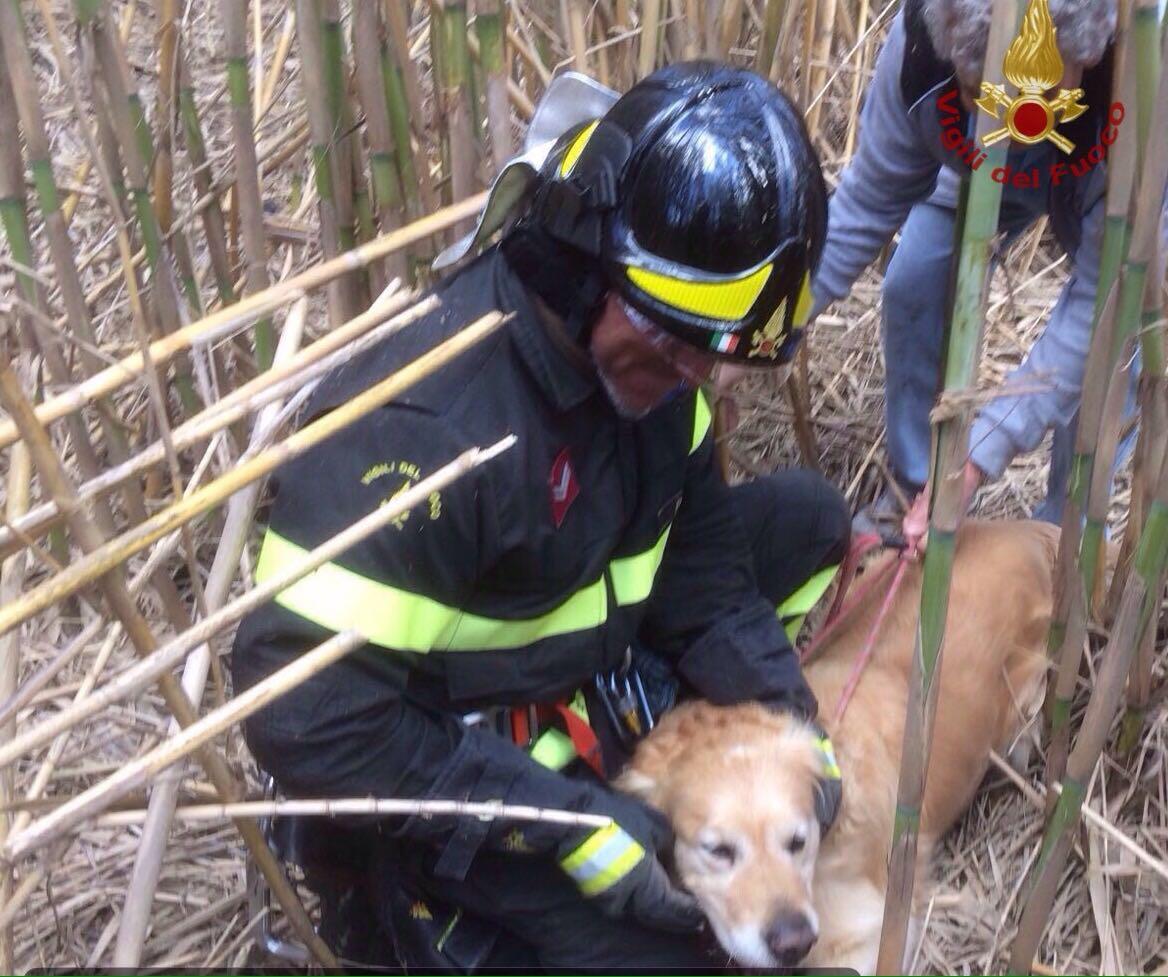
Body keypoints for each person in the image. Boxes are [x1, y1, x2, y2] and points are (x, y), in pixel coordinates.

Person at [231, 62, 850, 972]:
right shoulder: (431, 435)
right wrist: (565, 824)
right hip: (434, 759)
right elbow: (304, 713)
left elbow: (712, 592)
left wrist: (801, 744)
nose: (694, 376)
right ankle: (390, 906)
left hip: (570, 658)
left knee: (807, 519)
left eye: (717, 354)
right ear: (585, 270)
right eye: (674, 340)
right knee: (684, 954)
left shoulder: (658, 379)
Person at [807, 0, 1167, 544]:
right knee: (914, 279)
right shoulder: (922, 53)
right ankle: (915, 486)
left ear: (1090, 53)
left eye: (1040, 96)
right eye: (984, 94)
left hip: (1108, 175)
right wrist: (761, 329)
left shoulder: (1144, 76)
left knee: (1113, 357)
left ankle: (1061, 531)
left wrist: (980, 453)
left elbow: (1105, 301)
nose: (1016, 125)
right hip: (973, 165)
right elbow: (863, 206)